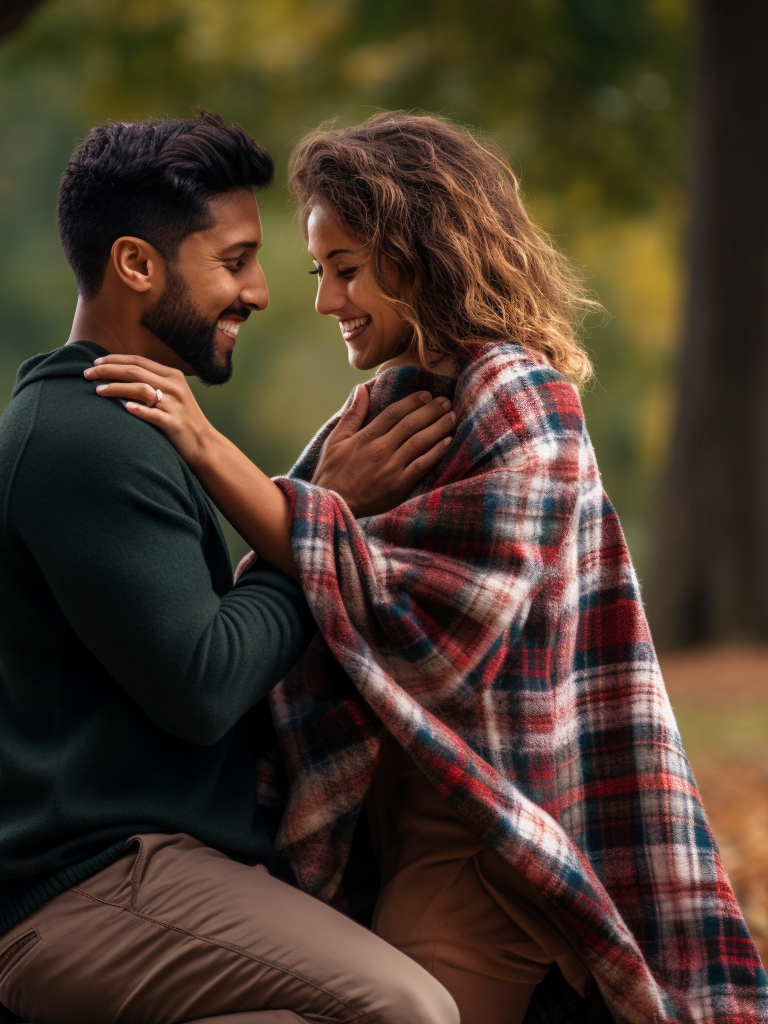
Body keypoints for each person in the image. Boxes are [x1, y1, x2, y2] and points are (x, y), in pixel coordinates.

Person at [85, 113, 768, 1024]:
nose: (326, 301)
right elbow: (330, 556)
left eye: (349, 269)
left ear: (422, 254)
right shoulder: (390, 397)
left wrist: (210, 451)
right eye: (319, 271)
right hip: (393, 819)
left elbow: (436, 629)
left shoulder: (522, 399)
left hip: (485, 844)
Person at [0, 110, 460, 1024]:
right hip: (80, 888)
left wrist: (299, 515)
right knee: (410, 1011)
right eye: (234, 260)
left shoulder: (126, 420)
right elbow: (206, 683)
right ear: (138, 265)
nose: (259, 291)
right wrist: (326, 525)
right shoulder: (86, 440)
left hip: (137, 867)